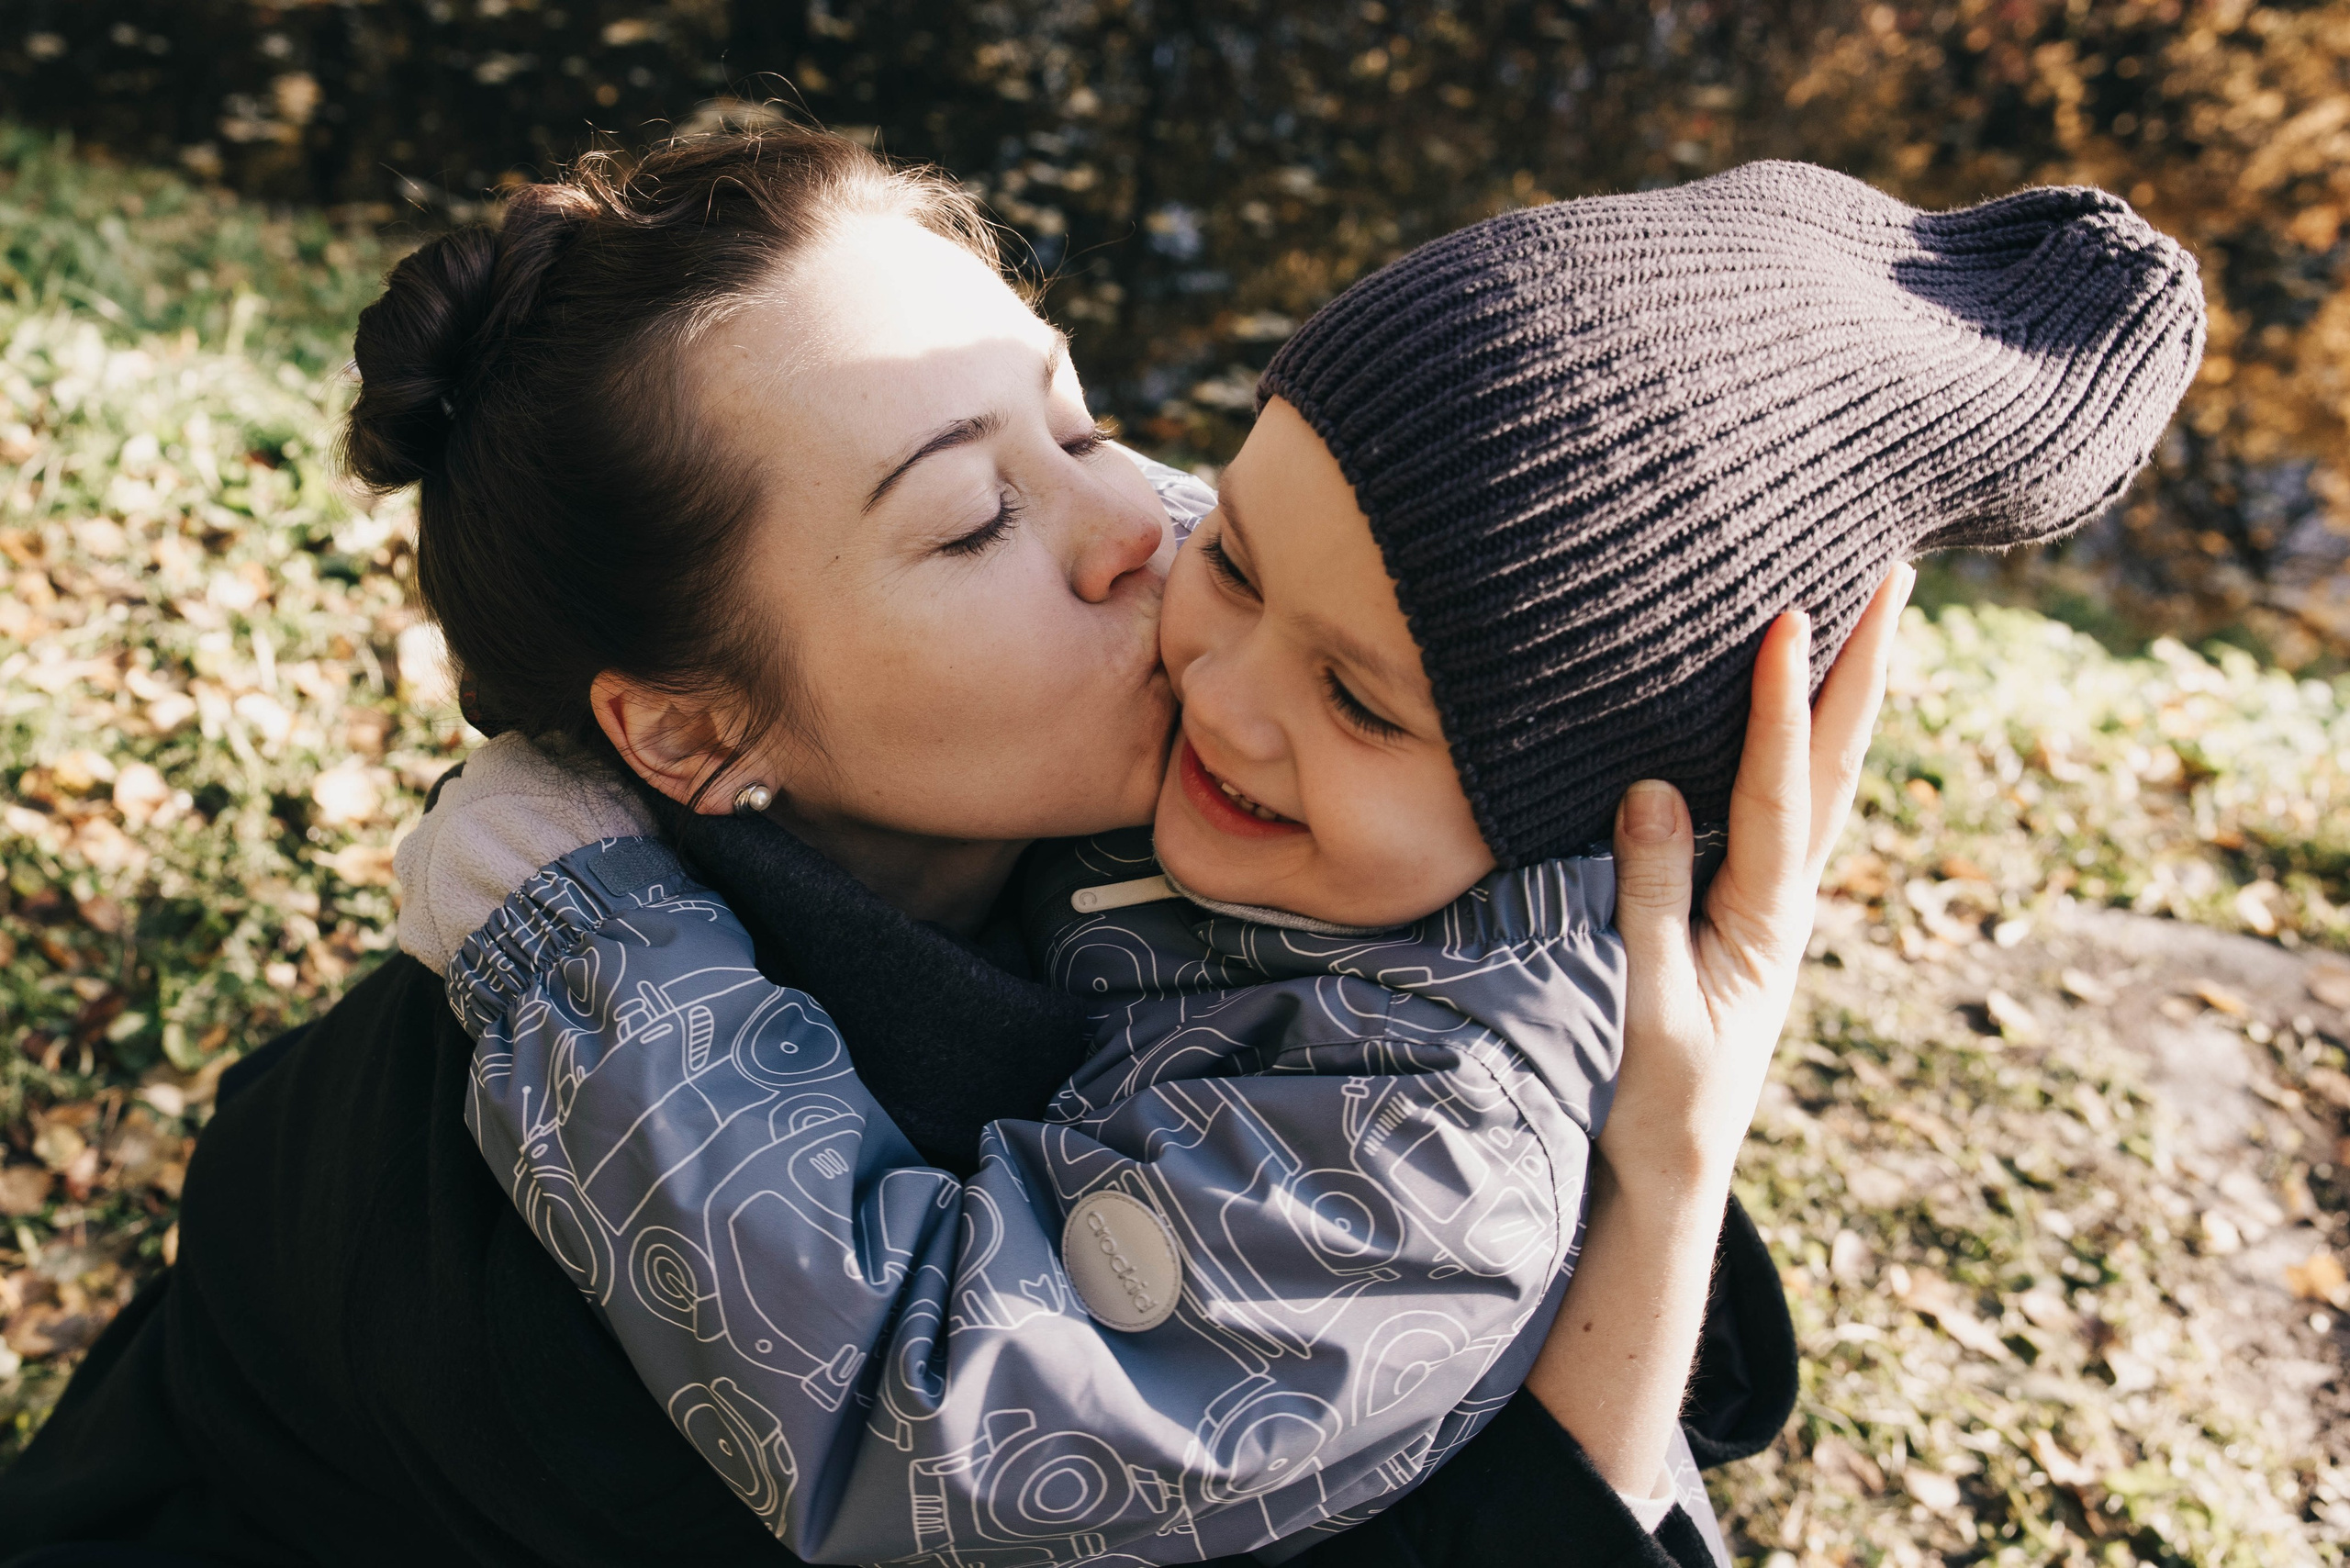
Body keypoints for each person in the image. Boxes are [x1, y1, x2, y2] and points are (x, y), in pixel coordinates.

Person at [0, 128, 1882, 1568]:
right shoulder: (601, 1276)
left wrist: (1668, 1134)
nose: (1140, 527)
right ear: (688, 728)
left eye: (1071, 414)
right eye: (976, 515)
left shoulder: (1148, 831)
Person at [408, 162, 2200, 1564]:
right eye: (1239, 547)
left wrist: (597, 940)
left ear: (1559, 794)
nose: (1185, 614)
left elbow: (931, 1395)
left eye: (1082, 423)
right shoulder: (1313, 677)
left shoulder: (1412, 1136)